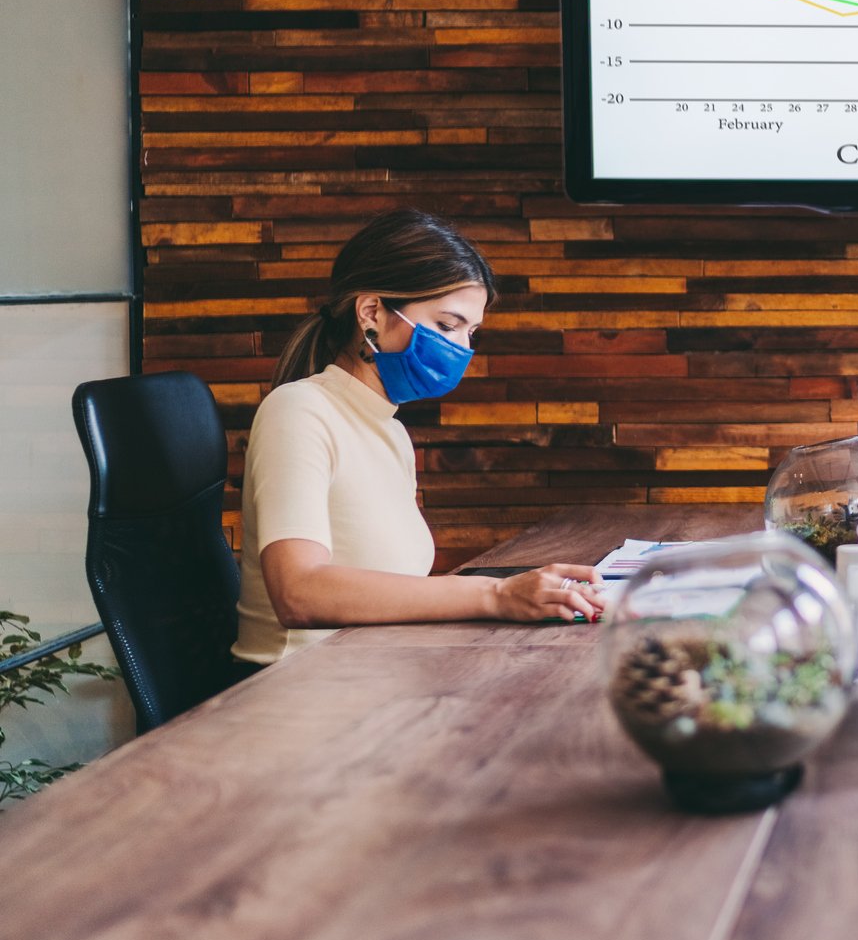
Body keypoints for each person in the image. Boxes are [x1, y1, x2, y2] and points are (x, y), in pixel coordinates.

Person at [231, 209, 603, 669]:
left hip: (376, 677)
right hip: (299, 692)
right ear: (371, 313)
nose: (462, 349)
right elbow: (299, 591)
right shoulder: (299, 411)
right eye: (448, 325)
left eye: (471, 332)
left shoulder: (390, 431)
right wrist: (493, 594)